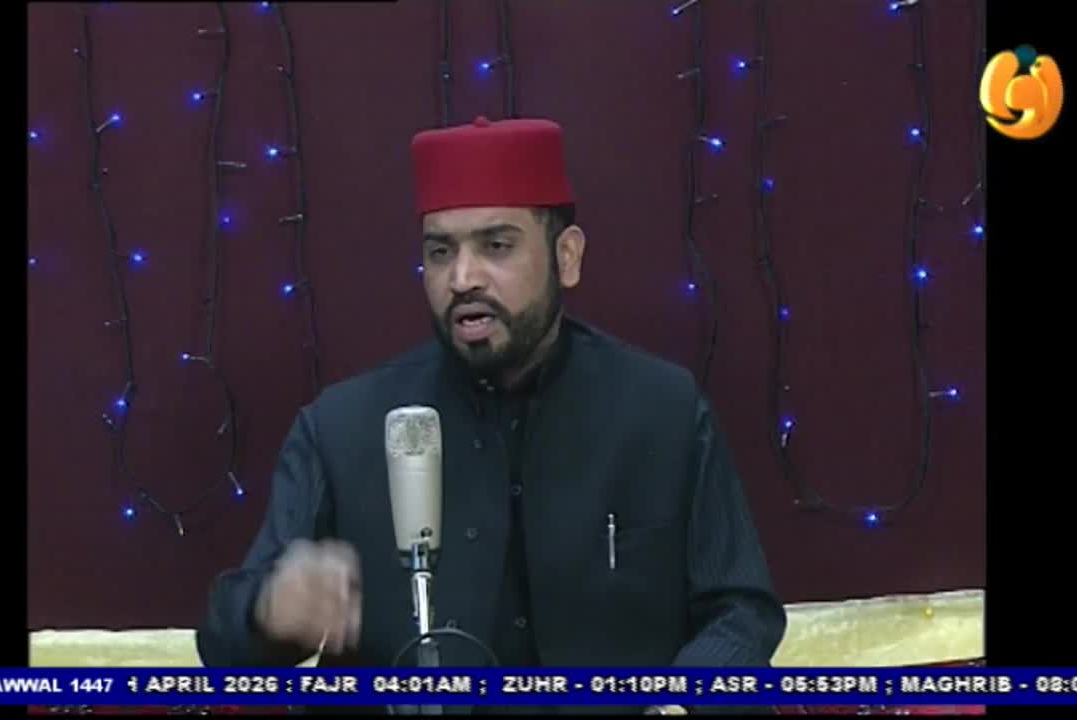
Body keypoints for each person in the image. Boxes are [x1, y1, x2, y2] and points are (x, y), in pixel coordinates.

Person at [197, 115, 787, 715]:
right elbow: (223, 648)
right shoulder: (343, 429)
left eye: (496, 245)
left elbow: (741, 612)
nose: (463, 278)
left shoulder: (664, 410)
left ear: (568, 256)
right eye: (440, 251)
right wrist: (270, 613)